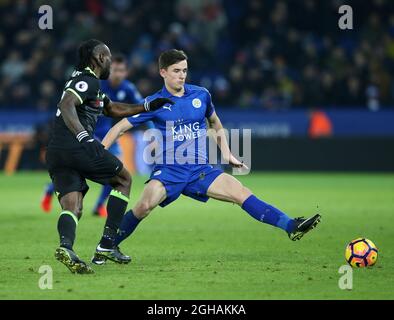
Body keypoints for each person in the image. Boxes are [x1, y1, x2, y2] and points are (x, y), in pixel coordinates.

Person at [93, 49, 321, 265]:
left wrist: (227, 153)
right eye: (176, 71)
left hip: (201, 170)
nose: (181, 75)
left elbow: (215, 122)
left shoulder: (201, 95)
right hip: (170, 171)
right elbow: (121, 126)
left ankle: (291, 225)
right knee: (143, 207)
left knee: (241, 193)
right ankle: (105, 247)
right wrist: (100, 150)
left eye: (184, 70)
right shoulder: (155, 103)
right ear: (163, 72)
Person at [46, 39, 173, 274]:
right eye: (109, 58)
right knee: (123, 179)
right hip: (77, 146)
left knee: (72, 205)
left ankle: (66, 247)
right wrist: (84, 136)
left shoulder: (85, 83)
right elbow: (66, 105)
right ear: (100, 59)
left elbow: (112, 109)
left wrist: (147, 106)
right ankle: (107, 244)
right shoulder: (87, 80)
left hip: (56, 151)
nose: (111, 63)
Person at [40, 54, 145, 217]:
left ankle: (98, 205)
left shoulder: (128, 88)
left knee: (114, 169)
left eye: (122, 70)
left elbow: (140, 108)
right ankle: (52, 189)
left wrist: (153, 127)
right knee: (98, 169)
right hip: (89, 133)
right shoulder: (96, 82)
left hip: (107, 134)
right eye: (115, 70)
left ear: (126, 72)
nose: (118, 74)